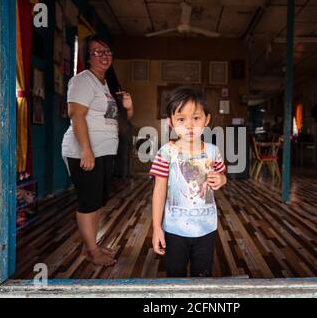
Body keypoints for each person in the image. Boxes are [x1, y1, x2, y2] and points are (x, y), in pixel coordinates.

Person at [61, 34, 134, 266]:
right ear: (87, 57)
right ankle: (92, 251)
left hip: (105, 150)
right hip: (84, 151)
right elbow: (76, 115)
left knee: (99, 201)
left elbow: (118, 121)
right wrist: (86, 150)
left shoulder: (107, 84)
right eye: (97, 52)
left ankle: (90, 245)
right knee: (88, 202)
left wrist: (129, 108)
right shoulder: (82, 80)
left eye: (107, 51)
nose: (104, 56)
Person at [149, 86, 227, 277]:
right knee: (175, 276)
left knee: (203, 276)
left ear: (206, 120)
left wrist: (221, 179)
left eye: (196, 118)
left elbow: (222, 176)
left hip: (206, 227)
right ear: (171, 122)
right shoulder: (166, 152)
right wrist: (157, 227)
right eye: (181, 119)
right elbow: (159, 190)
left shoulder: (213, 151)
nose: (189, 125)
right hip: (174, 229)